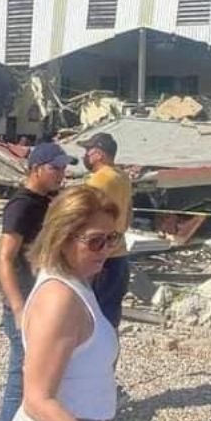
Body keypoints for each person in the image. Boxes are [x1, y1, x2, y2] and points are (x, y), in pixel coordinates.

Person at [7, 186, 122, 421]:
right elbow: (37, 401)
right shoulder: (59, 298)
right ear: (62, 237)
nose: (105, 249)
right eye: (95, 241)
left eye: (111, 239)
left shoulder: (78, 283)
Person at [0, 142, 76, 421]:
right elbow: (4, 258)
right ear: (36, 169)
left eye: (64, 168)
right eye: (56, 168)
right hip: (26, 305)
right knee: (21, 380)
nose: (61, 174)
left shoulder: (50, 201)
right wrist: (18, 307)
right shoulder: (21, 206)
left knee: (45, 377)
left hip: (47, 302)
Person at [78, 132, 132, 329]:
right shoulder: (123, 178)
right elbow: (128, 214)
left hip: (98, 256)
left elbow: (81, 216)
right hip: (119, 254)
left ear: (99, 153)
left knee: (92, 317)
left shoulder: (98, 181)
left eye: (88, 151)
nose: (86, 155)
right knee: (111, 318)